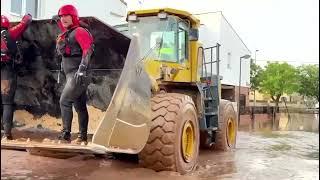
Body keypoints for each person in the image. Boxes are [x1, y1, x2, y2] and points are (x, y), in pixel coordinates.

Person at [54, 4, 94, 144]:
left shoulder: (80, 31)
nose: (63, 18)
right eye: (61, 16)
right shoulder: (67, 33)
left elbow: (87, 50)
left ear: (73, 16)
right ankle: (82, 137)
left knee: (64, 101)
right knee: (80, 106)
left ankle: (65, 135)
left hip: (78, 75)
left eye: (66, 15)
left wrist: (82, 69)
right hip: (72, 74)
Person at [1, 14, 32, 140]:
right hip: (6, 73)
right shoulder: (10, 33)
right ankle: (7, 133)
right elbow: (26, 22)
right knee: (7, 103)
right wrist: (27, 16)